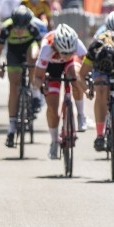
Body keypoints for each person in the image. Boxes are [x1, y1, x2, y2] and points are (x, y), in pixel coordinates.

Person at [31, 24, 88, 159]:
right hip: (52, 67)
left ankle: (81, 115)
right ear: (57, 47)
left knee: (76, 76)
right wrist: (42, 86)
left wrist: (87, 83)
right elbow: (37, 77)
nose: (68, 55)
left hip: (70, 66)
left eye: (71, 52)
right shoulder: (46, 48)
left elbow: (88, 67)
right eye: (65, 53)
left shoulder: (78, 44)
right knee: (52, 107)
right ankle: (54, 140)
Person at [0, 5, 43, 147]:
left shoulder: (33, 28)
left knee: (34, 56)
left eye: (23, 28)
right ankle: (12, 127)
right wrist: (0, 68)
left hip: (29, 48)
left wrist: (42, 69)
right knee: (14, 87)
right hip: (13, 53)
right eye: (17, 28)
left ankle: (34, 92)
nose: (20, 31)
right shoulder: (6, 29)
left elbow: (43, 50)